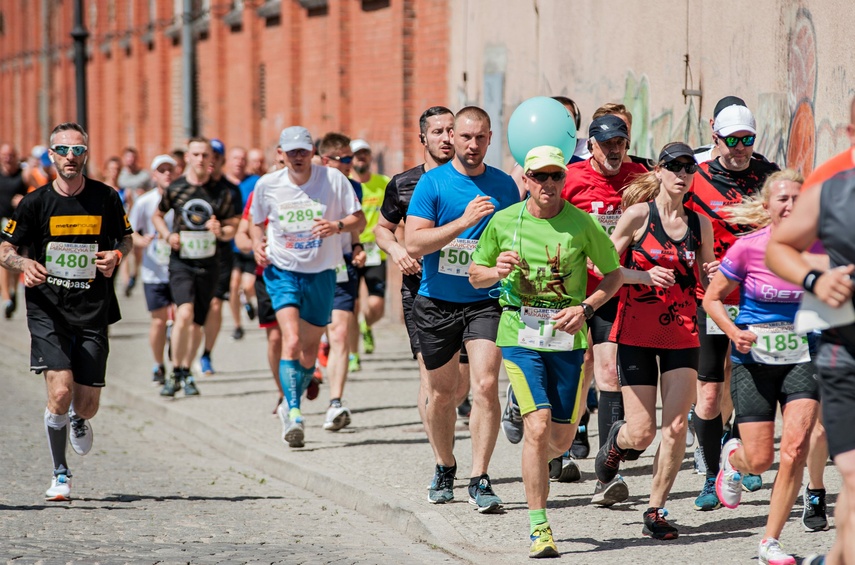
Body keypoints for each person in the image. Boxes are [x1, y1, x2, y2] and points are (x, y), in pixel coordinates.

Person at [471, 145, 623, 557]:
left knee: (560, 438)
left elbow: (614, 274)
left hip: (566, 341)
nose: (548, 184)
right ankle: (540, 527)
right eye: (540, 176)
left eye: (556, 176)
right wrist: (495, 270)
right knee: (536, 427)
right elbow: (475, 275)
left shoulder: (581, 224)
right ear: (526, 180)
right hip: (518, 333)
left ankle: (550, 404)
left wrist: (586, 307)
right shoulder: (504, 221)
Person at [0, 122, 133, 500]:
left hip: (93, 308)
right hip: (48, 309)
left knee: (86, 404)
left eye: (78, 150)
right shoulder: (35, 202)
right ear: (51, 155)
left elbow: (127, 237)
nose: (71, 157)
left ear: (86, 154)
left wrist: (117, 255)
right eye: (63, 150)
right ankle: (60, 473)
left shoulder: (106, 197)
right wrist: (23, 265)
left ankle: (77, 419)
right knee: (60, 391)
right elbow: (5, 248)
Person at [595, 142, 716, 540]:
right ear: (659, 171)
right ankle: (617, 441)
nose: (682, 174)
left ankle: (656, 509)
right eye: (674, 166)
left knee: (677, 424)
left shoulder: (700, 225)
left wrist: (714, 274)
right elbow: (606, 270)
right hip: (636, 332)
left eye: (689, 167)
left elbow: (703, 280)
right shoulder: (637, 216)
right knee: (642, 432)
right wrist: (642, 277)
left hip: (682, 331)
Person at [405, 106, 519, 511]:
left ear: (490, 139)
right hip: (437, 301)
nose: (472, 145)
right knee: (443, 394)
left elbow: (515, 237)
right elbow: (414, 244)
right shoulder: (433, 184)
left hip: (485, 300)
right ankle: (444, 464)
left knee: (486, 385)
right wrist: (463, 221)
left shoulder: (505, 186)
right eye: (465, 137)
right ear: (453, 139)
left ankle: (480, 476)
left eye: (480, 138)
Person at [704, 170, 822, 565]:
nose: (790, 205)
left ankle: (769, 541)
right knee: (760, 460)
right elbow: (712, 299)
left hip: (804, 357)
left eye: (797, 199)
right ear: (768, 206)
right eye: (782, 199)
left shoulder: (820, 248)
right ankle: (733, 461)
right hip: (754, 359)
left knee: (795, 448)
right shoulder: (748, 248)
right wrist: (734, 332)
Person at [539, 114, 647, 502]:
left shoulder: (640, 176)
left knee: (607, 372)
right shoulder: (572, 178)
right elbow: (544, 219)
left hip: (614, 290)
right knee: (576, 371)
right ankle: (559, 446)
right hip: (568, 293)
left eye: (620, 141)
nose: (615, 149)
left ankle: (607, 473)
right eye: (606, 143)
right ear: (592, 146)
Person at [685, 102, 780, 510]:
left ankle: (735, 459)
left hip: (759, 302)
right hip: (713, 298)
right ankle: (710, 473)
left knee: (753, 388)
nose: (741, 147)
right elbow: (674, 226)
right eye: (733, 140)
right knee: (709, 396)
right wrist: (696, 255)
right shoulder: (696, 178)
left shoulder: (769, 176)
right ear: (715, 138)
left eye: (748, 139)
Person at [250, 126, 365, 448]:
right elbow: (255, 221)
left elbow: (360, 219)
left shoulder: (333, 180)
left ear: (313, 152)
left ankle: (291, 399)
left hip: (322, 271)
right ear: (280, 154)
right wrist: (258, 244)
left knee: (310, 351)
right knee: (292, 340)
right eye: (291, 152)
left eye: (303, 151)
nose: (297, 157)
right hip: (282, 269)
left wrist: (337, 226)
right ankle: (295, 413)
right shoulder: (267, 185)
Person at [766, 166, 855, 565]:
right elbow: (778, 248)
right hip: (843, 355)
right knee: (851, 479)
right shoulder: (832, 192)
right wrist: (815, 279)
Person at [374, 106, 474, 447]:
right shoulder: (403, 184)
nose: (446, 138)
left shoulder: (476, 179)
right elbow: (382, 230)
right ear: (423, 138)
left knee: (460, 387)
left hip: (469, 291)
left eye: (451, 130)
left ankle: (445, 425)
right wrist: (398, 250)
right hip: (422, 292)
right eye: (437, 131)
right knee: (431, 381)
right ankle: (441, 462)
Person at [152, 137, 240, 397]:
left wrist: (221, 230)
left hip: (210, 263)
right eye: (196, 154)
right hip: (181, 262)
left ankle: (186, 372)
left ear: (211, 158)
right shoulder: (176, 188)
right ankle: (174, 371)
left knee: (197, 324)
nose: (201, 159)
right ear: (187, 157)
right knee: (184, 313)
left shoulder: (222, 191)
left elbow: (232, 225)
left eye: (205, 155)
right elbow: (158, 214)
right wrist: (168, 236)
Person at [317, 132, 366, 431]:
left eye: (351, 158)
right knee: (304, 339)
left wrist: (357, 247)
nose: (351, 164)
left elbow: (355, 224)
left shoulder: (354, 187)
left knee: (340, 334)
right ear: (326, 161)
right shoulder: (310, 185)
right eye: (344, 159)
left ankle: (335, 402)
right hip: (309, 268)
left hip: (341, 266)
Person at [128, 154, 178, 385]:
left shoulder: (183, 198)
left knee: (181, 319)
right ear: (154, 175)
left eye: (170, 169)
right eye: (162, 170)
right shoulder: (145, 202)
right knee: (158, 320)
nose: (167, 173)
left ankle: (178, 367)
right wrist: (142, 241)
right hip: (153, 270)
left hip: (181, 269)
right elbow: (129, 232)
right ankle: (159, 364)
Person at [349, 139, 391, 361]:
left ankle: (366, 325)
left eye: (365, 153)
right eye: (357, 154)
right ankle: (353, 354)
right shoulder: (345, 184)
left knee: (377, 306)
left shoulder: (383, 182)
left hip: (375, 249)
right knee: (352, 306)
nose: (361, 158)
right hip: (351, 249)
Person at [0, 143, 27, 318]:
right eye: (4, 155)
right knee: (2, 258)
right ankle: (7, 298)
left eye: (10, 155)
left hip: (17, 222)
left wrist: (24, 199)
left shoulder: (23, 175)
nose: (7, 158)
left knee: (14, 259)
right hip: (0, 221)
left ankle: (13, 290)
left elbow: (38, 191)